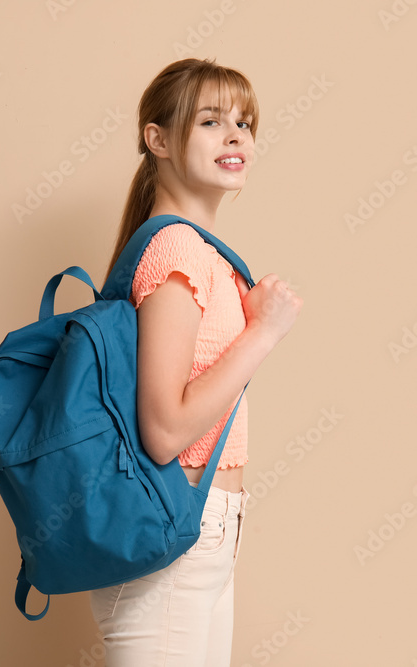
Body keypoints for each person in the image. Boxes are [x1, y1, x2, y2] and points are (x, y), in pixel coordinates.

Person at [89, 57, 302, 665]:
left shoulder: (196, 250)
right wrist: (262, 333)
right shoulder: (177, 247)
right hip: (175, 524)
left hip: (201, 529)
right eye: (211, 121)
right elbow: (164, 432)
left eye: (244, 122)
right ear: (157, 139)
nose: (237, 136)